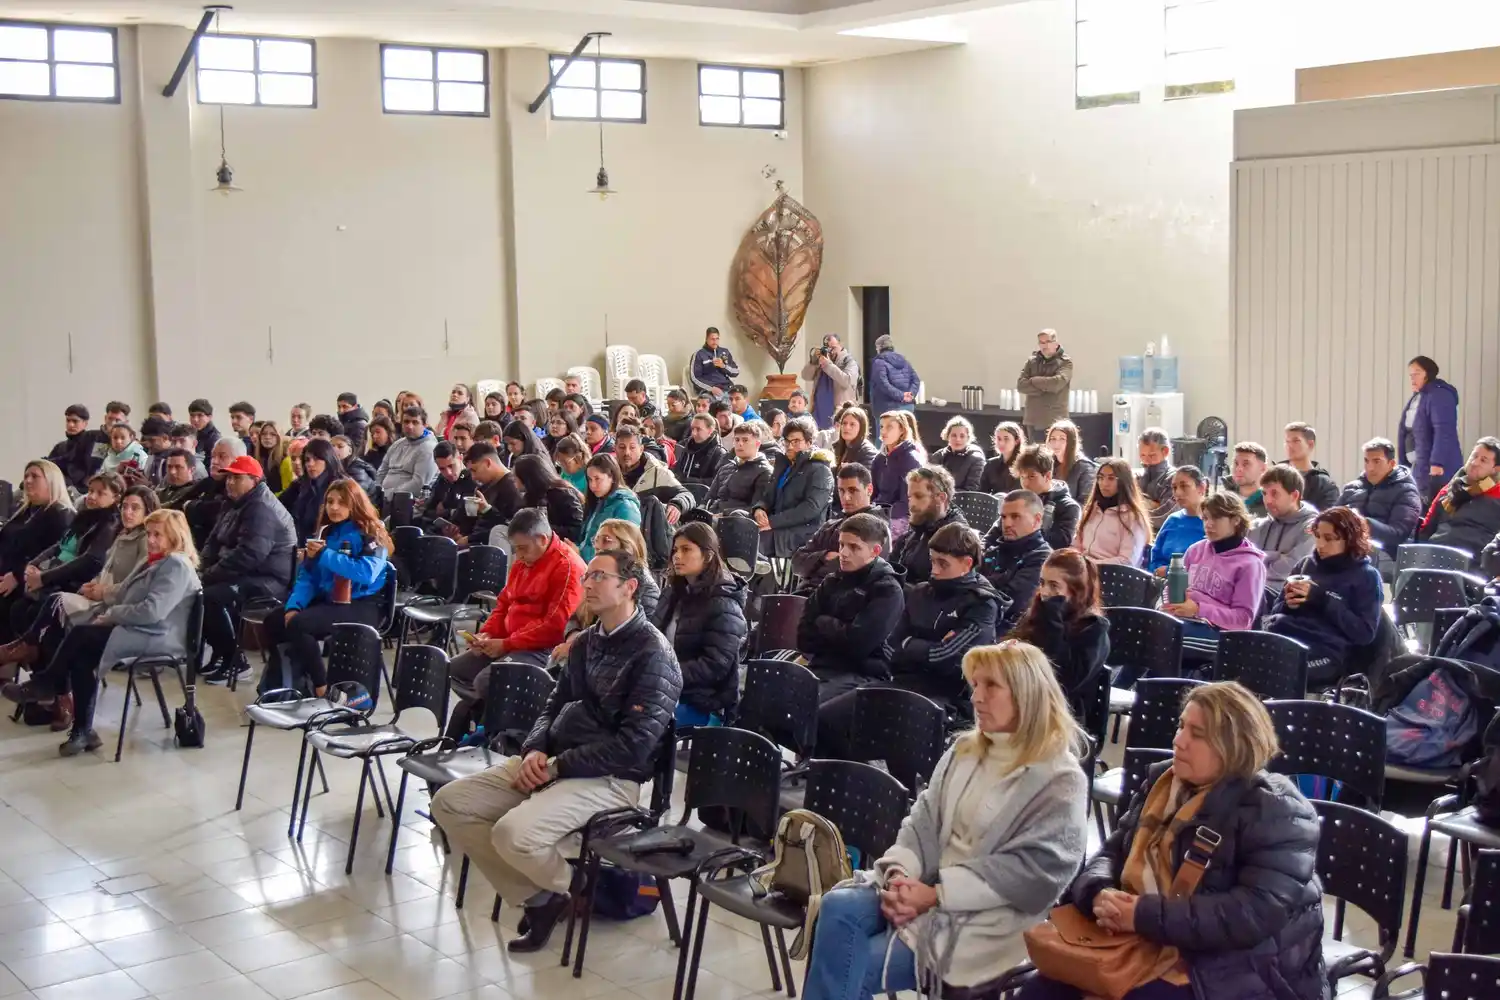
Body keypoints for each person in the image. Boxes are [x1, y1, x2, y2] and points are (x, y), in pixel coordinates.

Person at [429, 546, 681, 953]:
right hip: (558, 763)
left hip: (611, 779)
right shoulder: (586, 643)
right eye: (588, 576)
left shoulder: (653, 654)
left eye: (600, 576)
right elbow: (553, 706)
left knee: (513, 834)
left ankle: (580, 888)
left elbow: (633, 748)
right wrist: (534, 750)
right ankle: (542, 897)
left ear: (630, 587)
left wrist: (558, 765)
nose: (589, 583)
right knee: (451, 803)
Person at [804, 642, 1087, 1000]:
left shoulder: (1059, 778)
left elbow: (1036, 874)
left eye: (991, 686)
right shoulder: (964, 750)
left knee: (849, 968)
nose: (976, 698)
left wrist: (937, 895)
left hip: (988, 920)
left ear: (1026, 694)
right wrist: (899, 877)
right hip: (924, 889)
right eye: (975, 685)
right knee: (837, 907)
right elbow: (923, 820)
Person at [1021, 682, 1324, 1000]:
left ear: (1234, 746)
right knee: (1041, 990)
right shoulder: (1164, 783)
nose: (1179, 741)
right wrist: (1099, 893)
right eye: (1181, 726)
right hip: (1145, 937)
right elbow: (1114, 850)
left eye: (1198, 734)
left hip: (1237, 967)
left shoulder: (1277, 810)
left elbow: (1253, 913)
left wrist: (1141, 915)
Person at [0, 486, 157, 723]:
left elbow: (132, 586)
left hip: (115, 606)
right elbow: (102, 569)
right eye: (125, 506)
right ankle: (52, 697)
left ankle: (42, 677)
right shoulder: (121, 534)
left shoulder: (146, 540)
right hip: (96, 595)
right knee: (34, 617)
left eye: (135, 508)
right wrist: (90, 585)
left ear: (148, 511)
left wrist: (101, 591)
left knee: (52, 606)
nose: (128, 512)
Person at [55, 509, 204, 757]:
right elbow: (125, 593)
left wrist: (113, 615)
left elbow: (152, 611)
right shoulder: (154, 560)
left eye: (159, 535)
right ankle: (82, 730)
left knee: (83, 636)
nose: (152, 540)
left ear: (176, 537)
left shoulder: (176, 565)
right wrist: (106, 598)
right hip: (143, 628)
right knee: (83, 653)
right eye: (149, 534)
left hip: (160, 637)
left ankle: (52, 685)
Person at [446, 509, 586, 733]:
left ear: (542, 539)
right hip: (511, 641)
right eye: (516, 549)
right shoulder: (525, 561)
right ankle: (489, 716)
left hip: (543, 649)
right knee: (453, 670)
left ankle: (495, 724)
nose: (518, 556)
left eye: (522, 548)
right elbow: (503, 604)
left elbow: (554, 627)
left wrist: (507, 643)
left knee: (485, 682)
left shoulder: (567, 566)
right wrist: (488, 634)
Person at [259, 480, 390, 697]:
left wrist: (324, 555)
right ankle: (293, 681)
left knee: (301, 626)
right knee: (275, 620)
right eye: (330, 502)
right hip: (331, 599)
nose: (334, 507)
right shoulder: (327, 532)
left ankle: (322, 687)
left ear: (355, 504)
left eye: (342, 502)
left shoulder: (371, 533)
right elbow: (308, 577)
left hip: (363, 603)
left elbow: (366, 573)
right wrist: (295, 605)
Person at [882, 522, 1001, 723]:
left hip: (947, 698)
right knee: (832, 718)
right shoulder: (919, 592)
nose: (934, 570)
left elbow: (949, 659)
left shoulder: (982, 604)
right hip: (901, 683)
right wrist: (927, 646)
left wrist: (908, 643)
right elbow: (888, 647)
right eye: (932, 561)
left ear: (966, 564)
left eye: (943, 564)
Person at [199, 455, 299, 684]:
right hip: (247, 572)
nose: (229, 483)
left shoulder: (260, 507)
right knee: (198, 589)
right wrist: (202, 566)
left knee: (212, 598)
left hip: (269, 579)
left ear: (254, 480)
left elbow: (250, 555)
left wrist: (211, 574)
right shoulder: (235, 501)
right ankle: (220, 653)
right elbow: (213, 541)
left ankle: (237, 662)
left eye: (237, 478)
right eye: (228, 478)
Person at [1263, 507, 1383, 688]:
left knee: (1282, 673)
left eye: (1329, 539)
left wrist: (1323, 600)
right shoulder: (1305, 565)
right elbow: (1276, 610)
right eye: (1317, 536)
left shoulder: (1366, 576)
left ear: (1350, 539)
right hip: (1286, 637)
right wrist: (1288, 603)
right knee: (1244, 663)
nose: (1320, 545)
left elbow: (1364, 633)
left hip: (1328, 652)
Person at [797, 512, 904, 714]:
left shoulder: (888, 590)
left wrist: (823, 622)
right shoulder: (831, 581)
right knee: (771, 699)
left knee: (808, 710)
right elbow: (803, 637)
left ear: (875, 551)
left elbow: (858, 645)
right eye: (841, 545)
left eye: (854, 547)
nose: (844, 553)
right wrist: (841, 630)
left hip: (863, 676)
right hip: (823, 667)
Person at [0, 471, 122, 647]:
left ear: (116, 498)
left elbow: (89, 561)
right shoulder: (83, 516)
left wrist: (43, 577)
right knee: (17, 608)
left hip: (75, 582)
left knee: (32, 610)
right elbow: (59, 545)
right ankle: (29, 664)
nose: (92, 496)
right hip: (53, 573)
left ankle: (39, 663)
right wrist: (31, 565)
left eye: (100, 493)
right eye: (90, 490)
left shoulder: (109, 523)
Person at [653, 522, 747, 727]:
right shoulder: (672, 593)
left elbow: (715, 666)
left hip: (703, 702)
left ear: (708, 555)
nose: (677, 556)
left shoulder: (725, 603)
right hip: (666, 689)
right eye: (675, 550)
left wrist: (663, 674)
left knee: (639, 721)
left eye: (686, 549)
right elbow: (651, 638)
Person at [1162, 492, 1265, 656]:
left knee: (1165, 636)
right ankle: (1128, 682)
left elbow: (1243, 619)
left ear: (1236, 520)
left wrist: (1198, 609)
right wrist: (1169, 605)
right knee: (1148, 628)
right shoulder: (1195, 550)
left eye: (1215, 518)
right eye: (1205, 518)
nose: (1208, 524)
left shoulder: (1250, 565)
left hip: (1224, 636)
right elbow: (1171, 586)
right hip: (1187, 620)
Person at [1010, 549, 1111, 712]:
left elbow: (1063, 680)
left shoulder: (1093, 630)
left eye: (1054, 585)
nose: (1044, 592)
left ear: (1076, 591)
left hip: (1063, 715)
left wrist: (1052, 619)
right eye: (1042, 583)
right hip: (1024, 702)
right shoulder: (1038, 613)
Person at [0, 462, 75, 634]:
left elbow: (54, 557)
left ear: (51, 481)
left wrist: (18, 576)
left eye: (35, 476)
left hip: (28, 582)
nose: (27, 480)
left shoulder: (61, 515)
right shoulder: (25, 510)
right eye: (26, 476)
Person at [792, 463, 886, 591]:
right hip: (807, 595)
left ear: (869, 489)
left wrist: (815, 564)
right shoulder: (830, 525)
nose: (846, 497)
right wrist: (824, 556)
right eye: (841, 491)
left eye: (853, 490)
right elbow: (797, 563)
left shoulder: (877, 528)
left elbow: (848, 572)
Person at [752, 416, 835, 558]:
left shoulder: (820, 470)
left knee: (753, 541)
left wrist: (772, 522)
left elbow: (810, 508)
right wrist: (760, 508)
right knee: (737, 523)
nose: (790, 446)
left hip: (803, 532)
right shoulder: (784, 466)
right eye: (787, 441)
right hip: (777, 525)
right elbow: (768, 496)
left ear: (809, 442)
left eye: (796, 442)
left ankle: (758, 577)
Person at [1336, 437, 1422, 567]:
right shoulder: (1351, 488)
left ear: (1391, 464)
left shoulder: (1406, 492)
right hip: (1351, 550)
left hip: (1389, 556)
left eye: (1377, 461)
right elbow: (1331, 520)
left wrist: (1363, 523)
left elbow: (1397, 535)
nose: (1370, 467)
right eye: (1366, 461)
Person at [1417, 437, 1500, 563]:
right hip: (1434, 556)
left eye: (1483, 460)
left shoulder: (1497, 495)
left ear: (1495, 469)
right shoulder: (1449, 489)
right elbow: (1426, 528)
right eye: (1474, 456)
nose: (1475, 462)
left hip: (1474, 565)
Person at [981, 490, 1052, 632]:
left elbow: (1011, 604)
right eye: (1003, 517)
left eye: (1015, 517)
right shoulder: (994, 550)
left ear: (1037, 520)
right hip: (980, 623)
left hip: (1010, 635)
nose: (1007, 523)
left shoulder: (1043, 558)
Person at [1400, 354, 1464, 504]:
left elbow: (1444, 430)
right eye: (1411, 375)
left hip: (1435, 471)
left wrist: (1437, 463)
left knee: (1434, 509)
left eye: (1417, 374)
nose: (1412, 378)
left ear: (1428, 373)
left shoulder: (1440, 395)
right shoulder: (1418, 397)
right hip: (1419, 468)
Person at [891, 467, 967, 586]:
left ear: (941, 498)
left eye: (919, 496)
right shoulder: (919, 527)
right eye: (910, 497)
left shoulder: (956, 536)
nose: (912, 505)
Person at [1247, 466, 1317, 594]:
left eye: (1275, 493)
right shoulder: (1256, 526)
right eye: (1264, 493)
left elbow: (1294, 567)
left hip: (1283, 601)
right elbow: (1242, 561)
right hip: (1249, 594)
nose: (1267, 500)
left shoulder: (1314, 527)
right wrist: (1277, 555)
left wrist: (1259, 559)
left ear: (1294, 496)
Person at [1075, 457, 1152, 567]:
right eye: (1100, 478)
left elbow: (1127, 561)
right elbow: (1076, 546)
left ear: (1123, 482)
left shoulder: (1133, 518)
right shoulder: (1091, 510)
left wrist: (1090, 565)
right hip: (1083, 573)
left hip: (1112, 577)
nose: (1104, 483)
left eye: (1111, 478)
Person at [614, 425, 694, 525]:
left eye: (632, 447)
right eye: (622, 447)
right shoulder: (608, 473)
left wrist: (677, 505)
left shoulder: (657, 473)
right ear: (615, 449)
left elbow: (687, 495)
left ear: (641, 449)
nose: (627, 452)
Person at [1013, 444, 1081, 552]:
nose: (1025, 483)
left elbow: (1060, 543)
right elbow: (995, 533)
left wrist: (1024, 531)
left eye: (1031, 476)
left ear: (1048, 476)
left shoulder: (1069, 507)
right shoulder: (1018, 501)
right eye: (1022, 477)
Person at [279, 438, 344, 545]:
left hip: (333, 546)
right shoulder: (299, 484)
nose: (310, 464)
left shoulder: (343, 486)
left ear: (328, 459)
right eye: (307, 460)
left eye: (316, 459)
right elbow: (277, 507)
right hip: (299, 545)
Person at [578, 455, 641, 563]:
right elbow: (587, 540)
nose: (592, 485)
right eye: (590, 479)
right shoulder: (599, 501)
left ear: (612, 477)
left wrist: (580, 553)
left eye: (597, 479)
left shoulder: (626, 507)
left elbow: (623, 553)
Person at [460, 443, 524, 548]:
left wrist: (470, 539)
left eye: (474, 470)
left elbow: (509, 527)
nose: (473, 477)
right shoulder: (484, 486)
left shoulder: (512, 487)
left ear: (487, 463)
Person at [872, 411, 924, 537]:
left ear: (902, 430)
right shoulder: (879, 458)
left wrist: (880, 514)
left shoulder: (911, 460)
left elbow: (907, 502)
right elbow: (873, 492)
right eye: (882, 427)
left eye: (890, 427)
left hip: (902, 516)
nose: (883, 431)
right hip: (878, 512)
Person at [513, 454, 585, 545]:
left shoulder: (562, 494)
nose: (513, 481)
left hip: (560, 544)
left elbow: (577, 529)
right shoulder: (529, 497)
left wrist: (542, 529)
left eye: (515, 478)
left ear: (526, 479)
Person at [1148, 466, 1208, 573]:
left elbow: (1213, 564)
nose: (1178, 493)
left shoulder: (1213, 523)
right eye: (1174, 487)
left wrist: (1169, 572)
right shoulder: (1173, 520)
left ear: (1202, 488)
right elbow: (1155, 557)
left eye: (1184, 486)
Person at [706, 422, 772, 515]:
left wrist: (724, 514)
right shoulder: (725, 468)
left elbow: (756, 509)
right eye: (737, 440)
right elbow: (709, 498)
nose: (740, 444)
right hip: (712, 516)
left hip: (736, 522)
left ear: (757, 444)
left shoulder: (765, 472)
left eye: (745, 440)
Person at [1017, 329, 1073, 439]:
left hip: (1055, 419)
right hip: (1033, 419)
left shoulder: (1065, 362)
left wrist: (1034, 380)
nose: (1044, 345)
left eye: (1047, 342)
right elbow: (1021, 385)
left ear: (1056, 343)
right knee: (1034, 454)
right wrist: (1045, 387)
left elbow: (1057, 383)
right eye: (1041, 342)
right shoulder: (1031, 361)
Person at [377, 405, 439, 497]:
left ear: (425, 425)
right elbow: (382, 471)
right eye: (406, 422)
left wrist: (390, 493)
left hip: (407, 501)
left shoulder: (429, 448)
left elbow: (419, 485)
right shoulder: (397, 444)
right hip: (385, 498)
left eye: (415, 422)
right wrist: (378, 490)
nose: (410, 426)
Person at [801, 333, 860, 429]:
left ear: (841, 346)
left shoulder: (849, 361)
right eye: (828, 348)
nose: (831, 351)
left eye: (833, 348)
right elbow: (805, 376)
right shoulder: (821, 361)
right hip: (818, 413)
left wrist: (828, 365)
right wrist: (813, 361)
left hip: (839, 413)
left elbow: (847, 381)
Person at [416, 441, 476, 534]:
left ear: (460, 458)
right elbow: (429, 509)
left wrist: (445, 512)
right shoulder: (442, 479)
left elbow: (465, 515)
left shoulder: (472, 480)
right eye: (442, 468)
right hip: (437, 528)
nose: (448, 473)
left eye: (451, 466)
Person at [1280, 422, 1337, 511]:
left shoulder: (1324, 485)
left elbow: (1328, 518)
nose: (1289, 445)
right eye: (1287, 441)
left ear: (1310, 444)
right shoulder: (1275, 476)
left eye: (1296, 441)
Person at [47, 404, 104, 493]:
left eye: (75, 421)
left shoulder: (93, 441)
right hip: (58, 488)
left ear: (85, 423)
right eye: (68, 420)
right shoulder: (60, 447)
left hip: (83, 491)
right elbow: (48, 468)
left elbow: (96, 468)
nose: (70, 424)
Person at [1047, 420, 1097, 509]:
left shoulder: (1084, 467)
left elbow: (1087, 503)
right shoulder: (1049, 463)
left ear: (1071, 442)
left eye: (1062, 439)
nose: (1056, 443)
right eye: (1053, 439)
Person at [869, 334, 920, 417]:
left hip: (886, 409)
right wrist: (910, 394)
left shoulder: (878, 362)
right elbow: (916, 380)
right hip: (907, 407)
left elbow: (883, 384)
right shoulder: (904, 361)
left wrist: (901, 396)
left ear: (879, 348)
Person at [931, 415, 985, 493]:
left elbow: (972, 489)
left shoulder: (976, 458)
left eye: (962, 436)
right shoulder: (938, 456)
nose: (958, 439)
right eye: (954, 435)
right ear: (947, 436)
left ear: (968, 438)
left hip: (963, 502)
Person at [1136, 428, 1176, 531]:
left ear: (1165, 451)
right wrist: (1152, 504)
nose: (1146, 460)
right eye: (1142, 455)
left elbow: (1165, 517)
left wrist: (1134, 513)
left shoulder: (1174, 479)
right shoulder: (1136, 478)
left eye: (1152, 455)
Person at [673, 413, 728, 487]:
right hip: (681, 491)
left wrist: (690, 481)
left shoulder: (719, 453)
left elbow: (719, 482)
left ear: (710, 430)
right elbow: (677, 469)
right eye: (692, 429)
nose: (694, 433)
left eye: (698, 429)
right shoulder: (686, 446)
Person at [690, 326, 740, 399]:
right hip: (710, 390)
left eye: (717, 339)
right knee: (723, 402)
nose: (715, 341)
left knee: (740, 399)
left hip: (727, 387)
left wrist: (723, 366)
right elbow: (694, 378)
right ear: (706, 339)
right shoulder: (699, 354)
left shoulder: (725, 352)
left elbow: (736, 372)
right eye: (712, 339)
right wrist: (711, 388)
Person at [980, 420, 1025, 496]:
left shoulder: (1025, 463)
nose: (1001, 443)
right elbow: (982, 493)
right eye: (999, 439)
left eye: (1006, 439)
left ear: (1016, 441)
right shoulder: (991, 464)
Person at [832, 405, 879, 470]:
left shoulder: (868, 451)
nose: (847, 427)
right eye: (844, 423)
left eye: (852, 424)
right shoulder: (837, 447)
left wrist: (851, 470)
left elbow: (868, 476)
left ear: (861, 427)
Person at [1230, 441, 1269, 518]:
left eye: (1246, 464)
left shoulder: (1271, 504)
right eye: (1236, 463)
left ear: (1263, 468)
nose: (1239, 469)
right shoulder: (1223, 501)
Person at [253, 423, 291, 493]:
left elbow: (288, 490)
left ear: (279, 437)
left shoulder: (285, 459)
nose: (267, 437)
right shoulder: (258, 458)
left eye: (273, 434)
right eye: (264, 434)